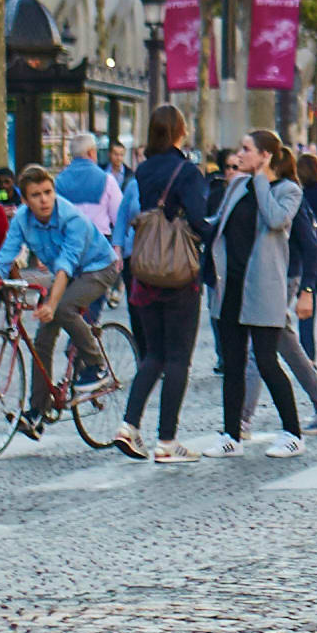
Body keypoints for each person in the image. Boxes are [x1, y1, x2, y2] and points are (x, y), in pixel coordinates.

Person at [205, 135, 314, 456]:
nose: (239, 155)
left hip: (264, 288)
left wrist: (262, 178)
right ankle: (231, 435)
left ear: (266, 156)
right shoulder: (237, 186)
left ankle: (292, 433)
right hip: (231, 287)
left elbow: (275, 219)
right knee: (233, 364)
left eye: (246, 150)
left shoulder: (288, 190)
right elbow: (218, 224)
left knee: (267, 360)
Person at [116, 105, 211, 457]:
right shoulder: (187, 171)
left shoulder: (142, 171)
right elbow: (199, 220)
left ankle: (128, 424)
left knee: (153, 354)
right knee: (177, 358)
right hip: (178, 272)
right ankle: (167, 441)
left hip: (145, 270)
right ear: (178, 132)